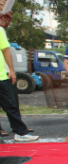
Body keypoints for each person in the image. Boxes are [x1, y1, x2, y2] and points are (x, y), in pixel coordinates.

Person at [0, 12, 39, 142]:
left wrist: (11, 70)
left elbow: (6, 50)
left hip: (1, 75)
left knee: (11, 104)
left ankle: (20, 132)